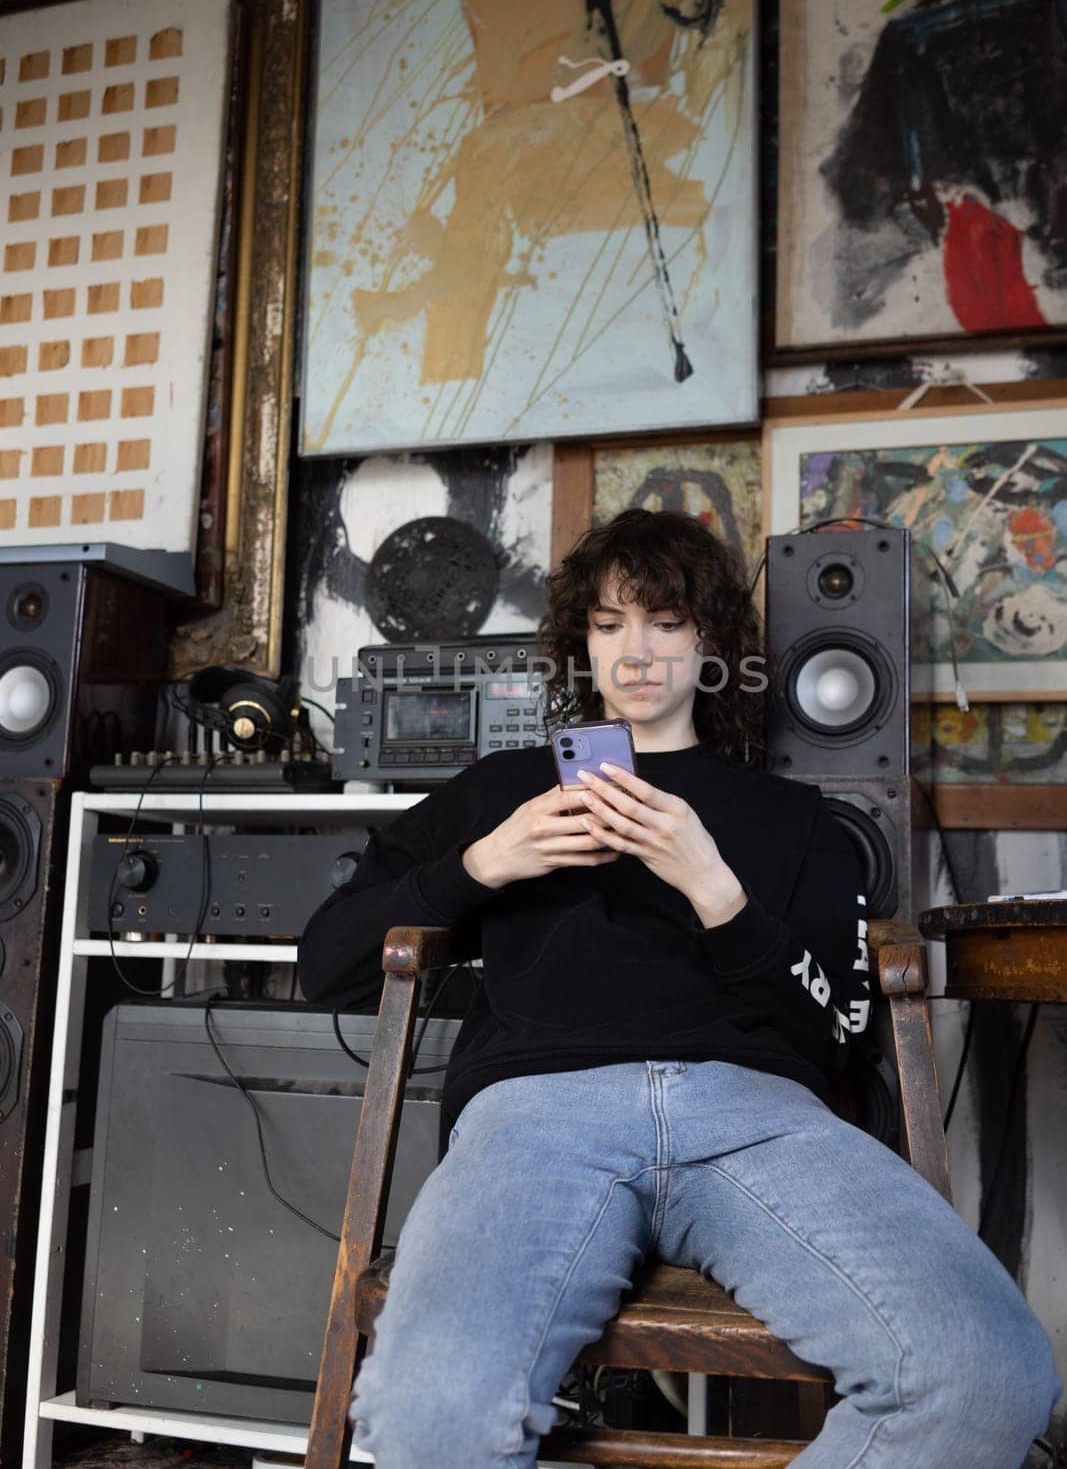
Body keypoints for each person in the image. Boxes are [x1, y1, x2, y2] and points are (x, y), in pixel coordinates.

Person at [299, 509, 1061, 1468]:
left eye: (664, 622)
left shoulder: (792, 819)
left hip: (756, 1114)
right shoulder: (500, 791)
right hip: (537, 1117)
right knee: (428, 1421)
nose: (637, 652)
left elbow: (838, 1032)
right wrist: (483, 863)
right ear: (582, 640)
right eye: (611, 623)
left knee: (988, 1376)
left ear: (710, 642)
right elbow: (322, 963)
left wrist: (715, 889)